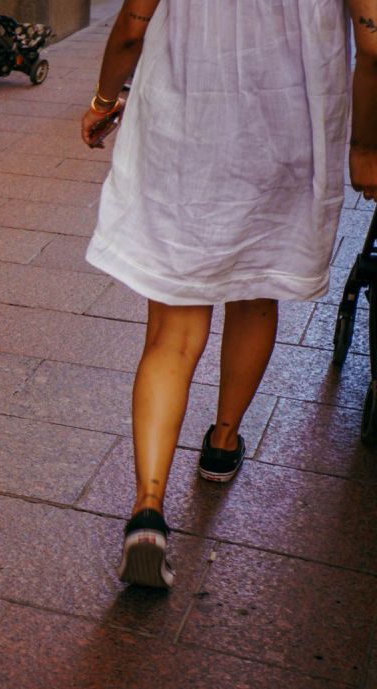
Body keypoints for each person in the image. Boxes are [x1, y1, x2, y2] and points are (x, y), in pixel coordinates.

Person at [81, 0, 377, 588]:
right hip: (287, 130)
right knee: (255, 293)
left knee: (172, 331)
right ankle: (221, 443)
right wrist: (365, 147)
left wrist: (105, 97)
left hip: (183, 126)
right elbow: (372, 42)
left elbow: (132, 26)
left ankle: (148, 506)